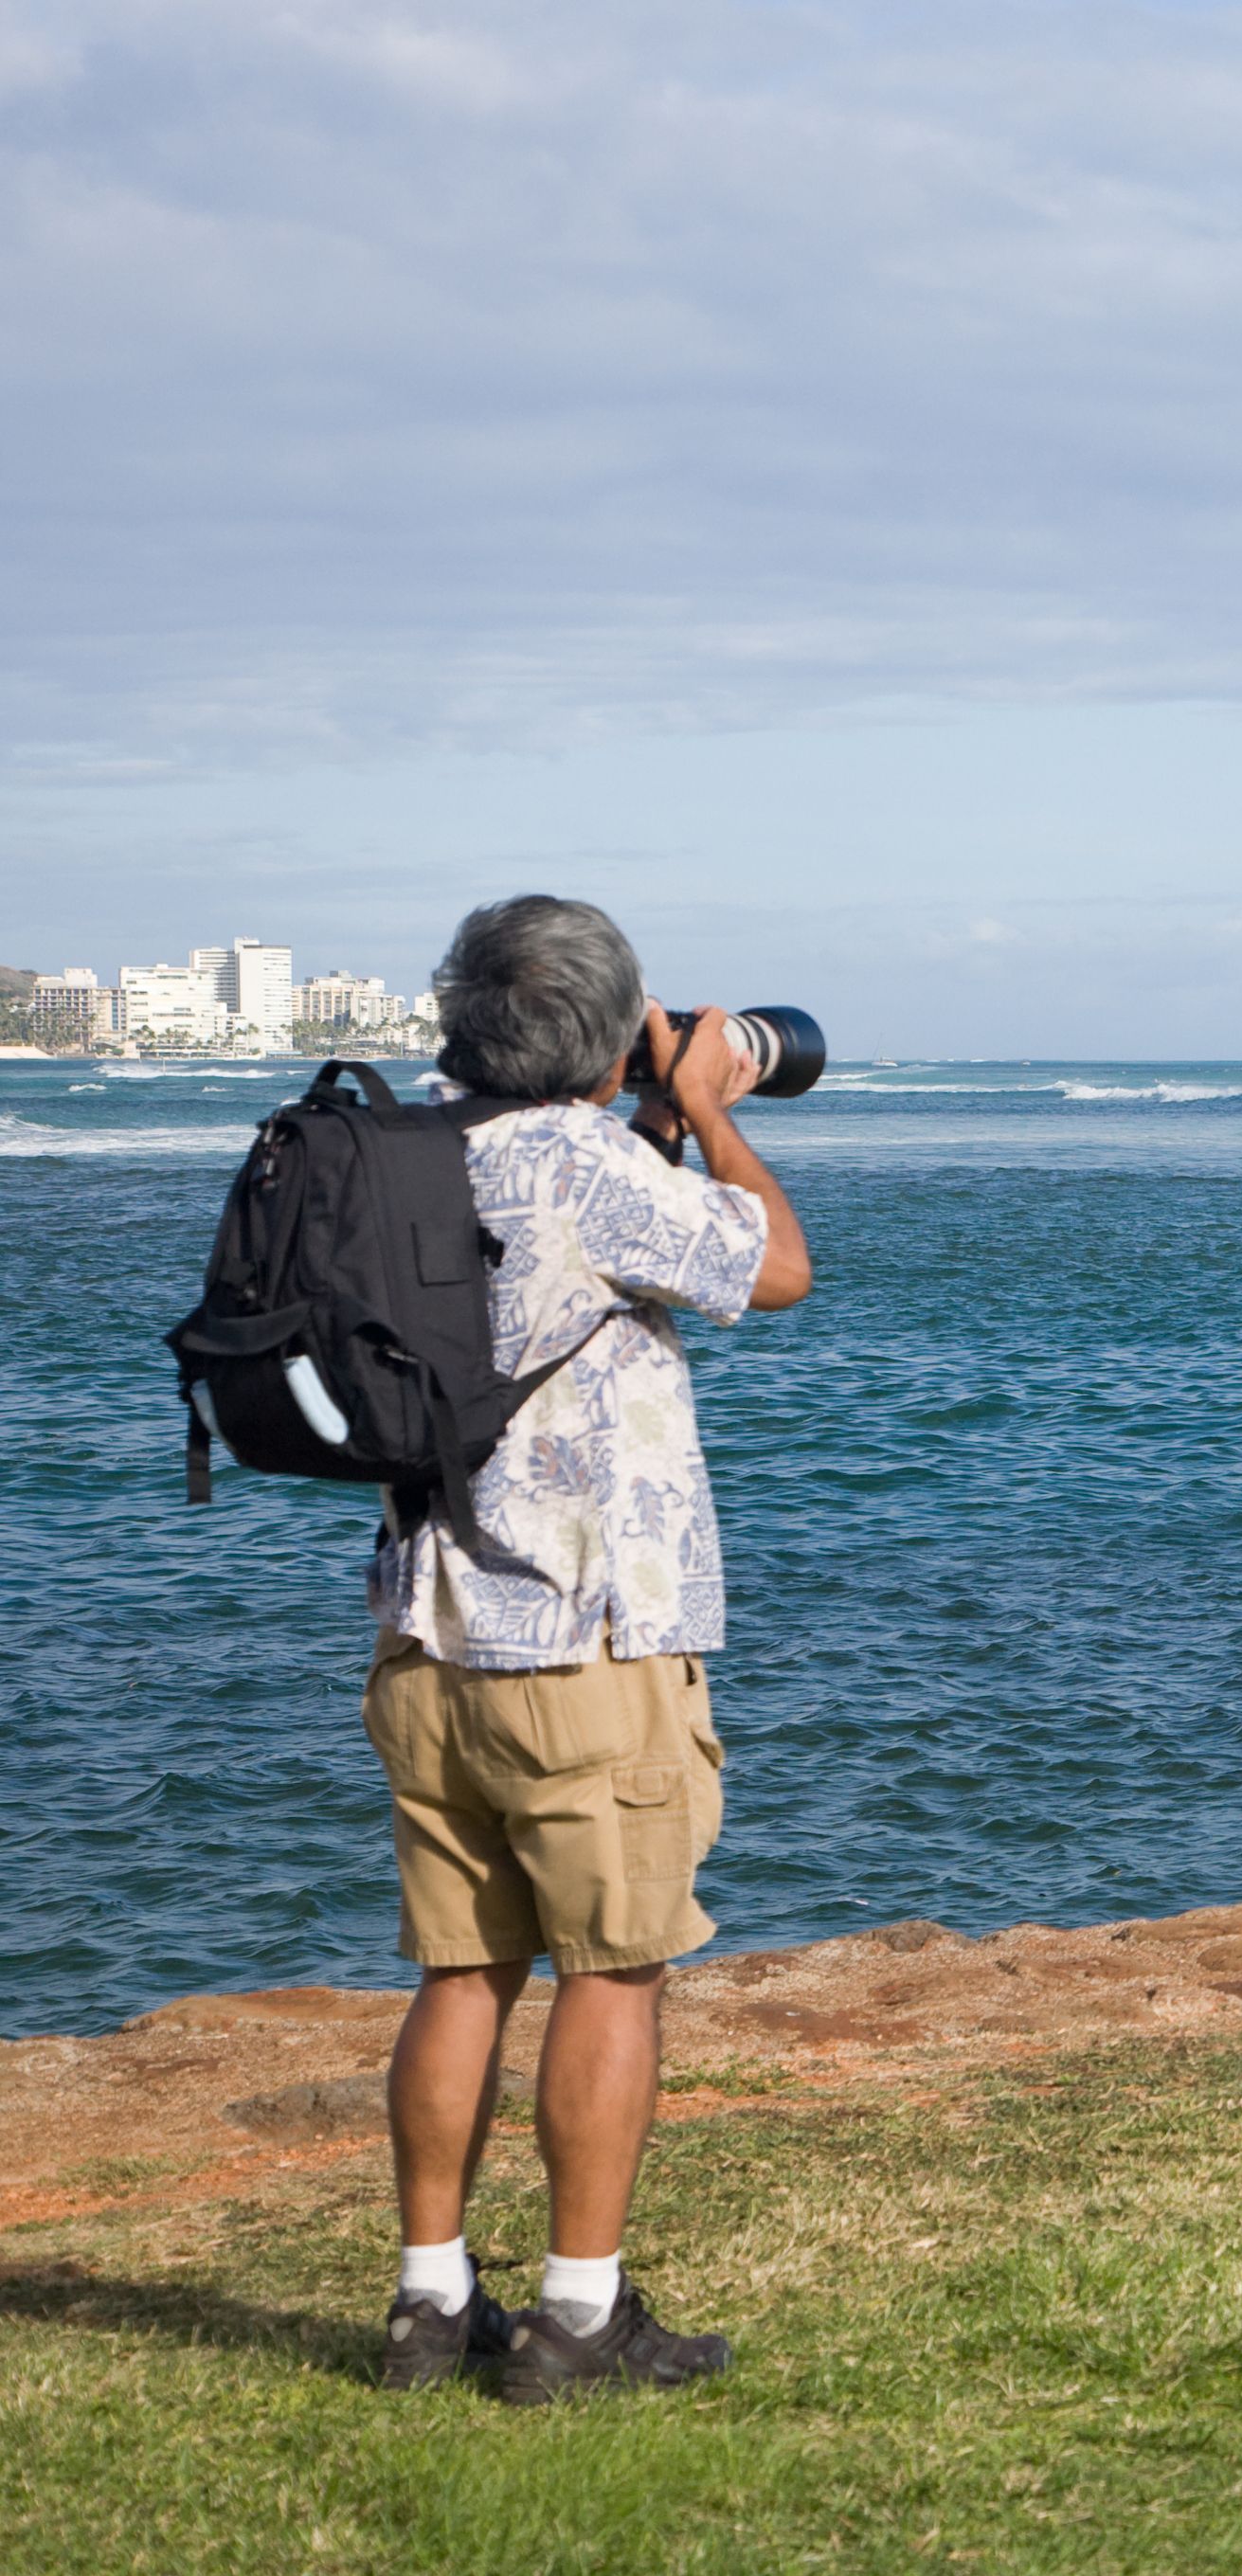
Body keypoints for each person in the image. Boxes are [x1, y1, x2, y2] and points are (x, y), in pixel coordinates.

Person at [368, 896, 811, 2401]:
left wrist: (646, 1114)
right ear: (607, 1025)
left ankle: (431, 2303)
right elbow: (774, 1264)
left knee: (462, 1968)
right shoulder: (579, 1159)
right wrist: (698, 1106)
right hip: (587, 1638)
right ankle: (575, 2315)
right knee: (614, 1972)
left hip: (427, 1633)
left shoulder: (399, 1141)